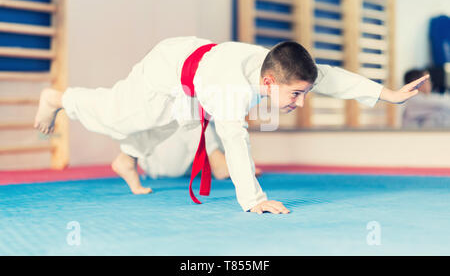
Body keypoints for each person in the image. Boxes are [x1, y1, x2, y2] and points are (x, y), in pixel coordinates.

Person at [34, 36, 429, 214]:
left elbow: (332, 77)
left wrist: (388, 94)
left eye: (304, 94)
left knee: (181, 121)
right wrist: (253, 199)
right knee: (120, 114)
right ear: (270, 83)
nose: (301, 101)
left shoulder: (281, 70)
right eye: (295, 95)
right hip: (167, 66)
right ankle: (60, 99)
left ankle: (127, 159)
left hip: (198, 67)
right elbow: (237, 142)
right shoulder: (233, 92)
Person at [114, 123, 263, 194]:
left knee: (221, 122)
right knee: (190, 116)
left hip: (190, 163)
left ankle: (218, 161)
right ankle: (218, 163)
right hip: (160, 163)